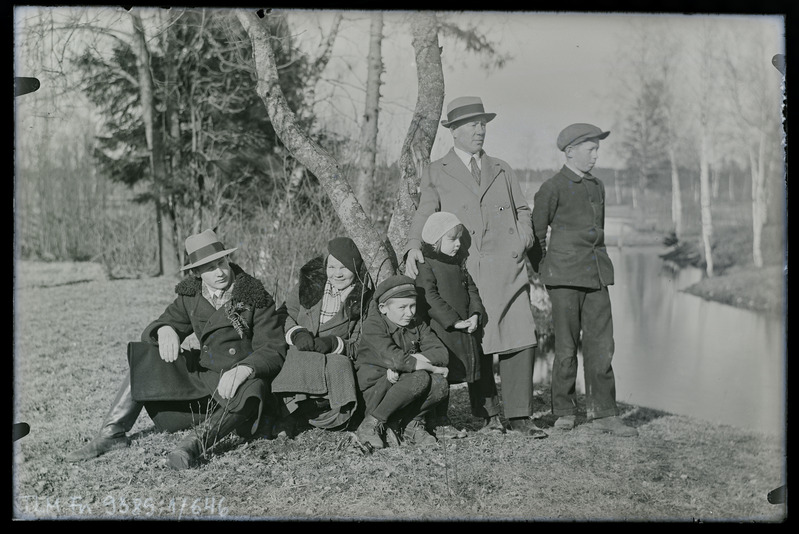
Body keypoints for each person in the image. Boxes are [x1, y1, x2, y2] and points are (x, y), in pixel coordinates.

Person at [65, 229, 288, 469]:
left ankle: (191, 446)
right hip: (205, 379)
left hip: (240, 382)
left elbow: (273, 347)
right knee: (145, 355)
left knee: (253, 388)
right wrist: (164, 330)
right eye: (210, 267)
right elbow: (160, 325)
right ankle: (112, 433)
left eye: (222, 262)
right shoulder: (190, 295)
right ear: (197, 273)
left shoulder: (254, 295)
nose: (220, 272)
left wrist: (244, 369)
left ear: (228, 259)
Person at [404, 96, 546, 438]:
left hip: (509, 267)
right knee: (478, 338)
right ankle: (488, 415)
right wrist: (411, 245)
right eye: (471, 124)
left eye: (483, 123)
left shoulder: (502, 168)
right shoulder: (437, 171)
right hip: (469, 270)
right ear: (453, 131)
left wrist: (523, 239)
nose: (479, 130)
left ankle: (520, 416)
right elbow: (425, 211)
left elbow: (523, 210)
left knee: (520, 337)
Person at [531, 123, 637, 437]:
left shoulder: (598, 186)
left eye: (597, 149)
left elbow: (596, 233)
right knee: (565, 347)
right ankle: (564, 412)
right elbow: (537, 236)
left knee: (602, 345)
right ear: (570, 152)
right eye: (590, 149)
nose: (596, 155)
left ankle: (604, 413)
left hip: (596, 275)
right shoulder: (552, 187)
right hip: (563, 278)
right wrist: (546, 270)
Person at [414, 211, 503, 439]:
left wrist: (475, 314)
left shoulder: (458, 263)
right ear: (436, 240)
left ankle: (490, 415)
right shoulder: (427, 265)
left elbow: (471, 289)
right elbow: (430, 297)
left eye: (460, 240)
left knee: (479, 366)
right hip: (443, 331)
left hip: (466, 328)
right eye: (452, 239)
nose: (457, 245)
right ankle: (438, 420)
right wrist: (454, 321)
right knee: (442, 372)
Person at [270, 237, 371, 436]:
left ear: (356, 268)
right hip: (301, 350)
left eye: (344, 268)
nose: (337, 274)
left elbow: (363, 343)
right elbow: (283, 314)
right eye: (332, 267)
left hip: (332, 359)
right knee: (291, 360)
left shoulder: (362, 299)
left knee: (338, 368)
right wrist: (296, 332)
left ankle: (323, 413)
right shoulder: (310, 285)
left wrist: (335, 343)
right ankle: (289, 415)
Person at [354, 275, 450, 449]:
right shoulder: (373, 326)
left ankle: (412, 424)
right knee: (422, 377)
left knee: (439, 383)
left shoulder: (416, 323)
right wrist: (431, 367)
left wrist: (411, 362)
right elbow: (396, 359)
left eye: (413, 305)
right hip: (377, 389)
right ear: (383, 308)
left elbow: (441, 353)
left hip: (404, 383)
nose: (410, 312)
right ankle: (371, 424)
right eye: (402, 307)